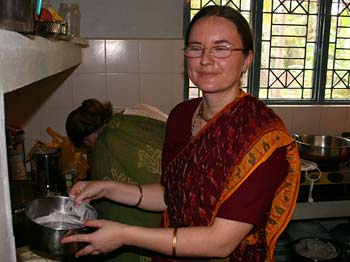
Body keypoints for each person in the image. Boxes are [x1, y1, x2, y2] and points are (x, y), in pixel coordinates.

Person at [62, 5, 301, 262]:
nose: (206, 59)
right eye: (196, 48)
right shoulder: (181, 116)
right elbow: (170, 196)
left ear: (247, 59)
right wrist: (108, 188)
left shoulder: (262, 136)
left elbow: (220, 243)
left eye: (221, 48)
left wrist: (124, 234)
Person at [65, 99, 168, 262]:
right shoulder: (137, 110)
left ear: (85, 140)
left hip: (160, 232)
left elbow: (108, 211)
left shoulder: (105, 144)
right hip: (179, 203)